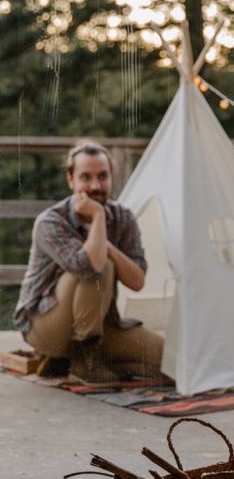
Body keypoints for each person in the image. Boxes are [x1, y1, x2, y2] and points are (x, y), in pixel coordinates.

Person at [13, 139, 164, 384]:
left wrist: (104, 235)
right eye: (86, 177)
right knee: (101, 265)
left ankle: (79, 359)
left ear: (111, 177)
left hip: (102, 325)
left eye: (102, 176)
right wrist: (97, 217)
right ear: (70, 179)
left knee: (166, 360)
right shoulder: (50, 222)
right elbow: (88, 267)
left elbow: (137, 281)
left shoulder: (123, 218)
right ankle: (81, 361)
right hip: (45, 326)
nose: (95, 185)